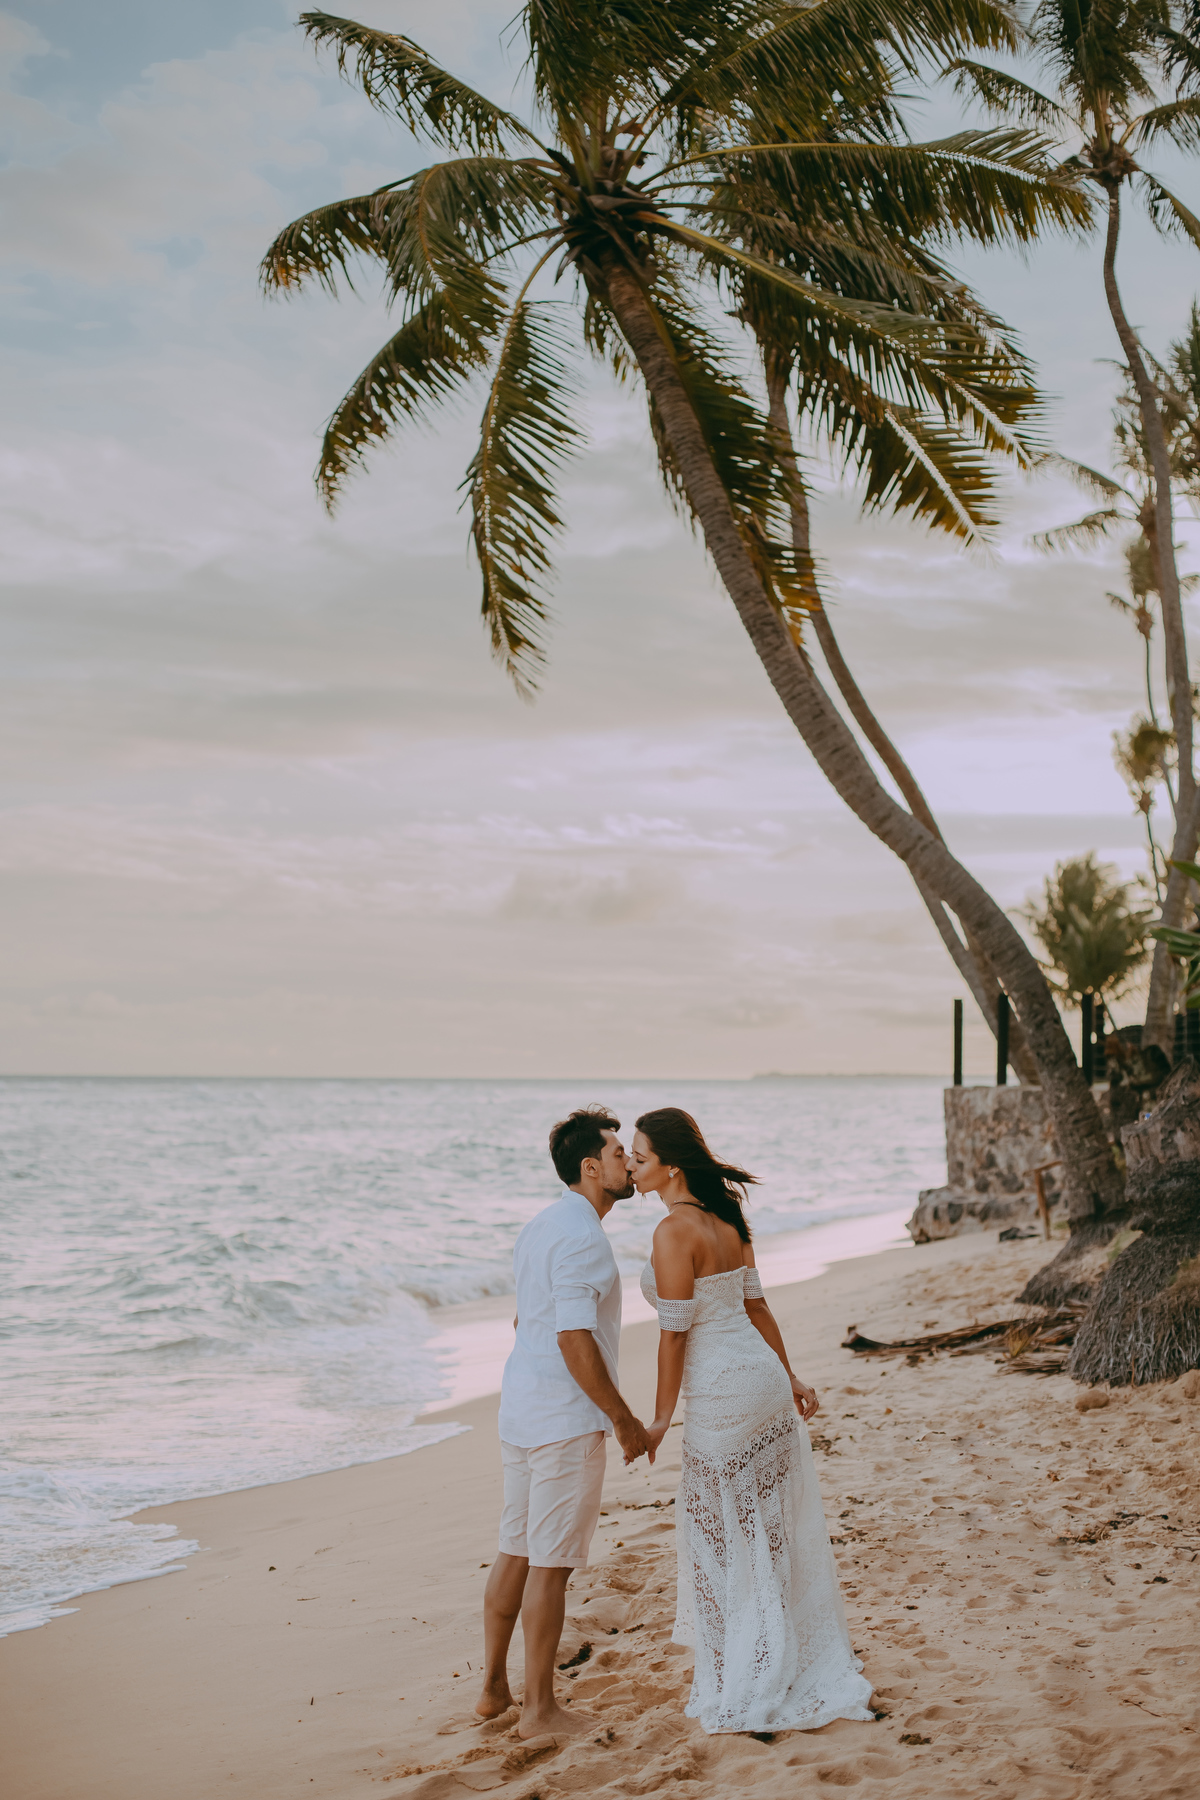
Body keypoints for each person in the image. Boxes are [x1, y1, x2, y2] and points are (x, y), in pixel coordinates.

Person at [633, 1107, 874, 1735]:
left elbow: (674, 1335)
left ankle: (745, 1668)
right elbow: (757, 1306)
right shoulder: (728, 1219)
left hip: (722, 1396)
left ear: (671, 1167)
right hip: (761, 1383)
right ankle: (775, 1651)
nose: (631, 1165)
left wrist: (660, 1420)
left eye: (640, 1156)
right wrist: (790, 1377)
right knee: (765, 1532)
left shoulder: (672, 1232)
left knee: (716, 1537)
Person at [475, 1105, 649, 1740]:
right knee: (550, 1565)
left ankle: (494, 1690)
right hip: (563, 1420)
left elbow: (527, 1318)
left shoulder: (541, 1226)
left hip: (521, 1408)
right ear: (591, 1167)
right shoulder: (584, 1238)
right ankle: (540, 1712)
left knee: (516, 1549)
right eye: (619, 1153)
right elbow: (572, 1336)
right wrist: (623, 1418)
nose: (630, 1163)